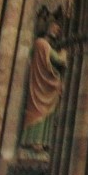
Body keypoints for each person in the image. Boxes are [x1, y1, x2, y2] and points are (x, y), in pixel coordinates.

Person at [20, 21, 68, 150]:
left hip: (44, 83)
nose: (56, 31)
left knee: (43, 113)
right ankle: (36, 141)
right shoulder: (42, 44)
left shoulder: (40, 45)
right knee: (39, 112)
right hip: (41, 84)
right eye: (54, 28)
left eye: (58, 30)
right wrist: (64, 52)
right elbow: (60, 61)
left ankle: (40, 141)